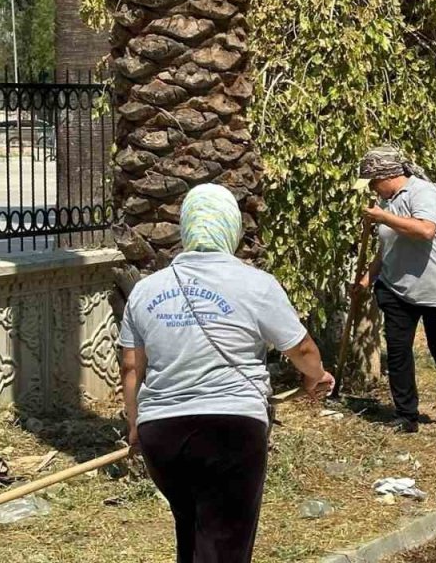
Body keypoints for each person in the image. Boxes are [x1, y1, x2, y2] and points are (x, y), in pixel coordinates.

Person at [118, 184, 335, 563]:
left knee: (193, 531)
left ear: (186, 228)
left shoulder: (146, 290)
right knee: (224, 545)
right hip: (230, 429)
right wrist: (315, 377)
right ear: (231, 228)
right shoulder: (255, 283)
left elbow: (131, 366)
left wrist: (136, 426)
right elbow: (301, 349)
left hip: (162, 436)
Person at [358, 145, 436, 434]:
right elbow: (387, 250)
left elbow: (424, 231)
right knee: (398, 350)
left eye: (372, 181)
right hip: (395, 288)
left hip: (435, 287)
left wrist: (383, 218)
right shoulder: (386, 202)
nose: (370, 188)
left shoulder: (422, 192)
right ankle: (406, 415)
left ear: (386, 176)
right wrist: (367, 280)